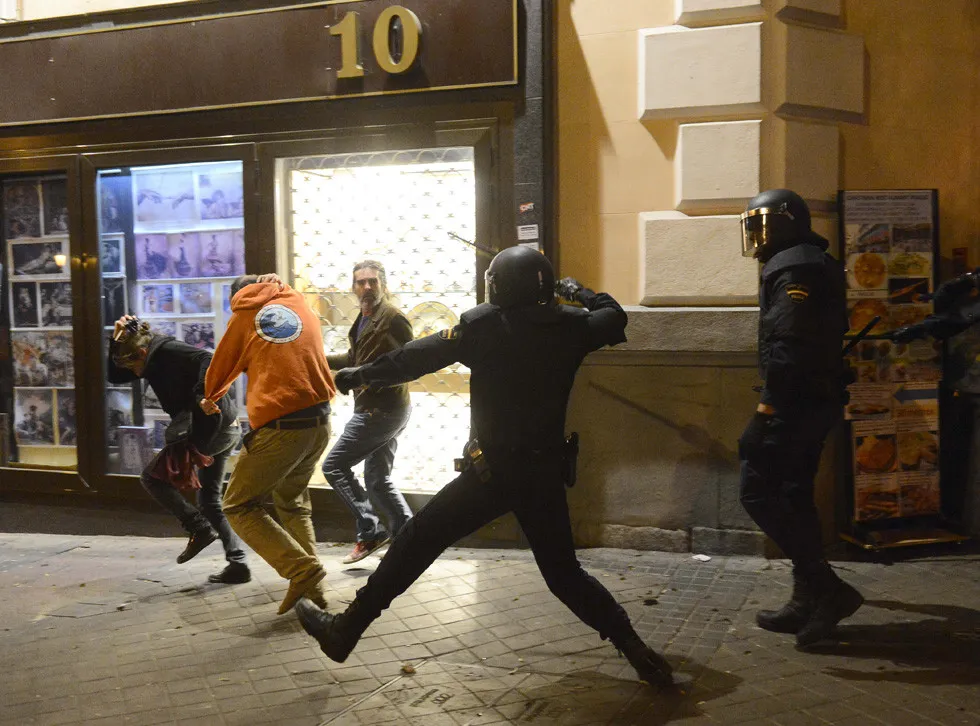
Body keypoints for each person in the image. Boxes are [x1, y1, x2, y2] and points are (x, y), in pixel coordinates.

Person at [293, 246, 674, 688]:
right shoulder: (573, 327)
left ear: (498, 287)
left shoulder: (482, 327)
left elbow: (414, 358)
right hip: (543, 476)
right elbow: (614, 316)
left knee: (415, 541)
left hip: (490, 476)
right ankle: (637, 651)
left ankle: (344, 632)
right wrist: (578, 291)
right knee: (565, 576)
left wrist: (357, 375)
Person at [737, 189, 863, 647]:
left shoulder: (796, 266)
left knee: (757, 490)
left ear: (790, 222)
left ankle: (828, 590)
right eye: (753, 225)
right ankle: (807, 597)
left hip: (795, 403)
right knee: (792, 493)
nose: (758, 235)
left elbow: (789, 342)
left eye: (765, 223)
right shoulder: (802, 259)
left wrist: (766, 409)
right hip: (811, 400)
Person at [200, 273, 336, 615]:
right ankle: (313, 589)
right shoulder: (296, 301)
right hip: (319, 422)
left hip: (282, 426)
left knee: (237, 505)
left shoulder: (246, 314)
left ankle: (300, 569)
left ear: (237, 296)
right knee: (291, 501)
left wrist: (210, 397)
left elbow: (224, 361)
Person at [107, 315, 250, 584]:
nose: (136, 373)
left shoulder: (168, 350)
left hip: (208, 426)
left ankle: (198, 527)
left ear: (142, 352)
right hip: (218, 427)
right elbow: (115, 375)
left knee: (152, 478)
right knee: (209, 500)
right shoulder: (147, 355)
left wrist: (202, 395)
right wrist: (115, 339)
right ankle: (238, 563)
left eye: (134, 365)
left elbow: (208, 358)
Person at [324, 260, 414, 564]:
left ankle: (370, 530)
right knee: (377, 479)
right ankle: (410, 542)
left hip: (381, 410)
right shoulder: (366, 317)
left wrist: (360, 375)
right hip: (384, 409)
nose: (366, 287)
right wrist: (321, 360)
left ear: (383, 285)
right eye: (360, 282)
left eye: (372, 282)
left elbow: (407, 367)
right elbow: (356, 355)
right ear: (353, 287)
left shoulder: (392, 318)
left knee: (334, 466)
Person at [891, 267, 980, 533]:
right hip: (963, 384)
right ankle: (958, 516)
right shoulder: (969, 287)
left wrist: (917, 329)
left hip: (973, 385)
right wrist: (963, 280)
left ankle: (969, 523)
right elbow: (945, 303)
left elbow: (960, 318)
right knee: (958, 454)